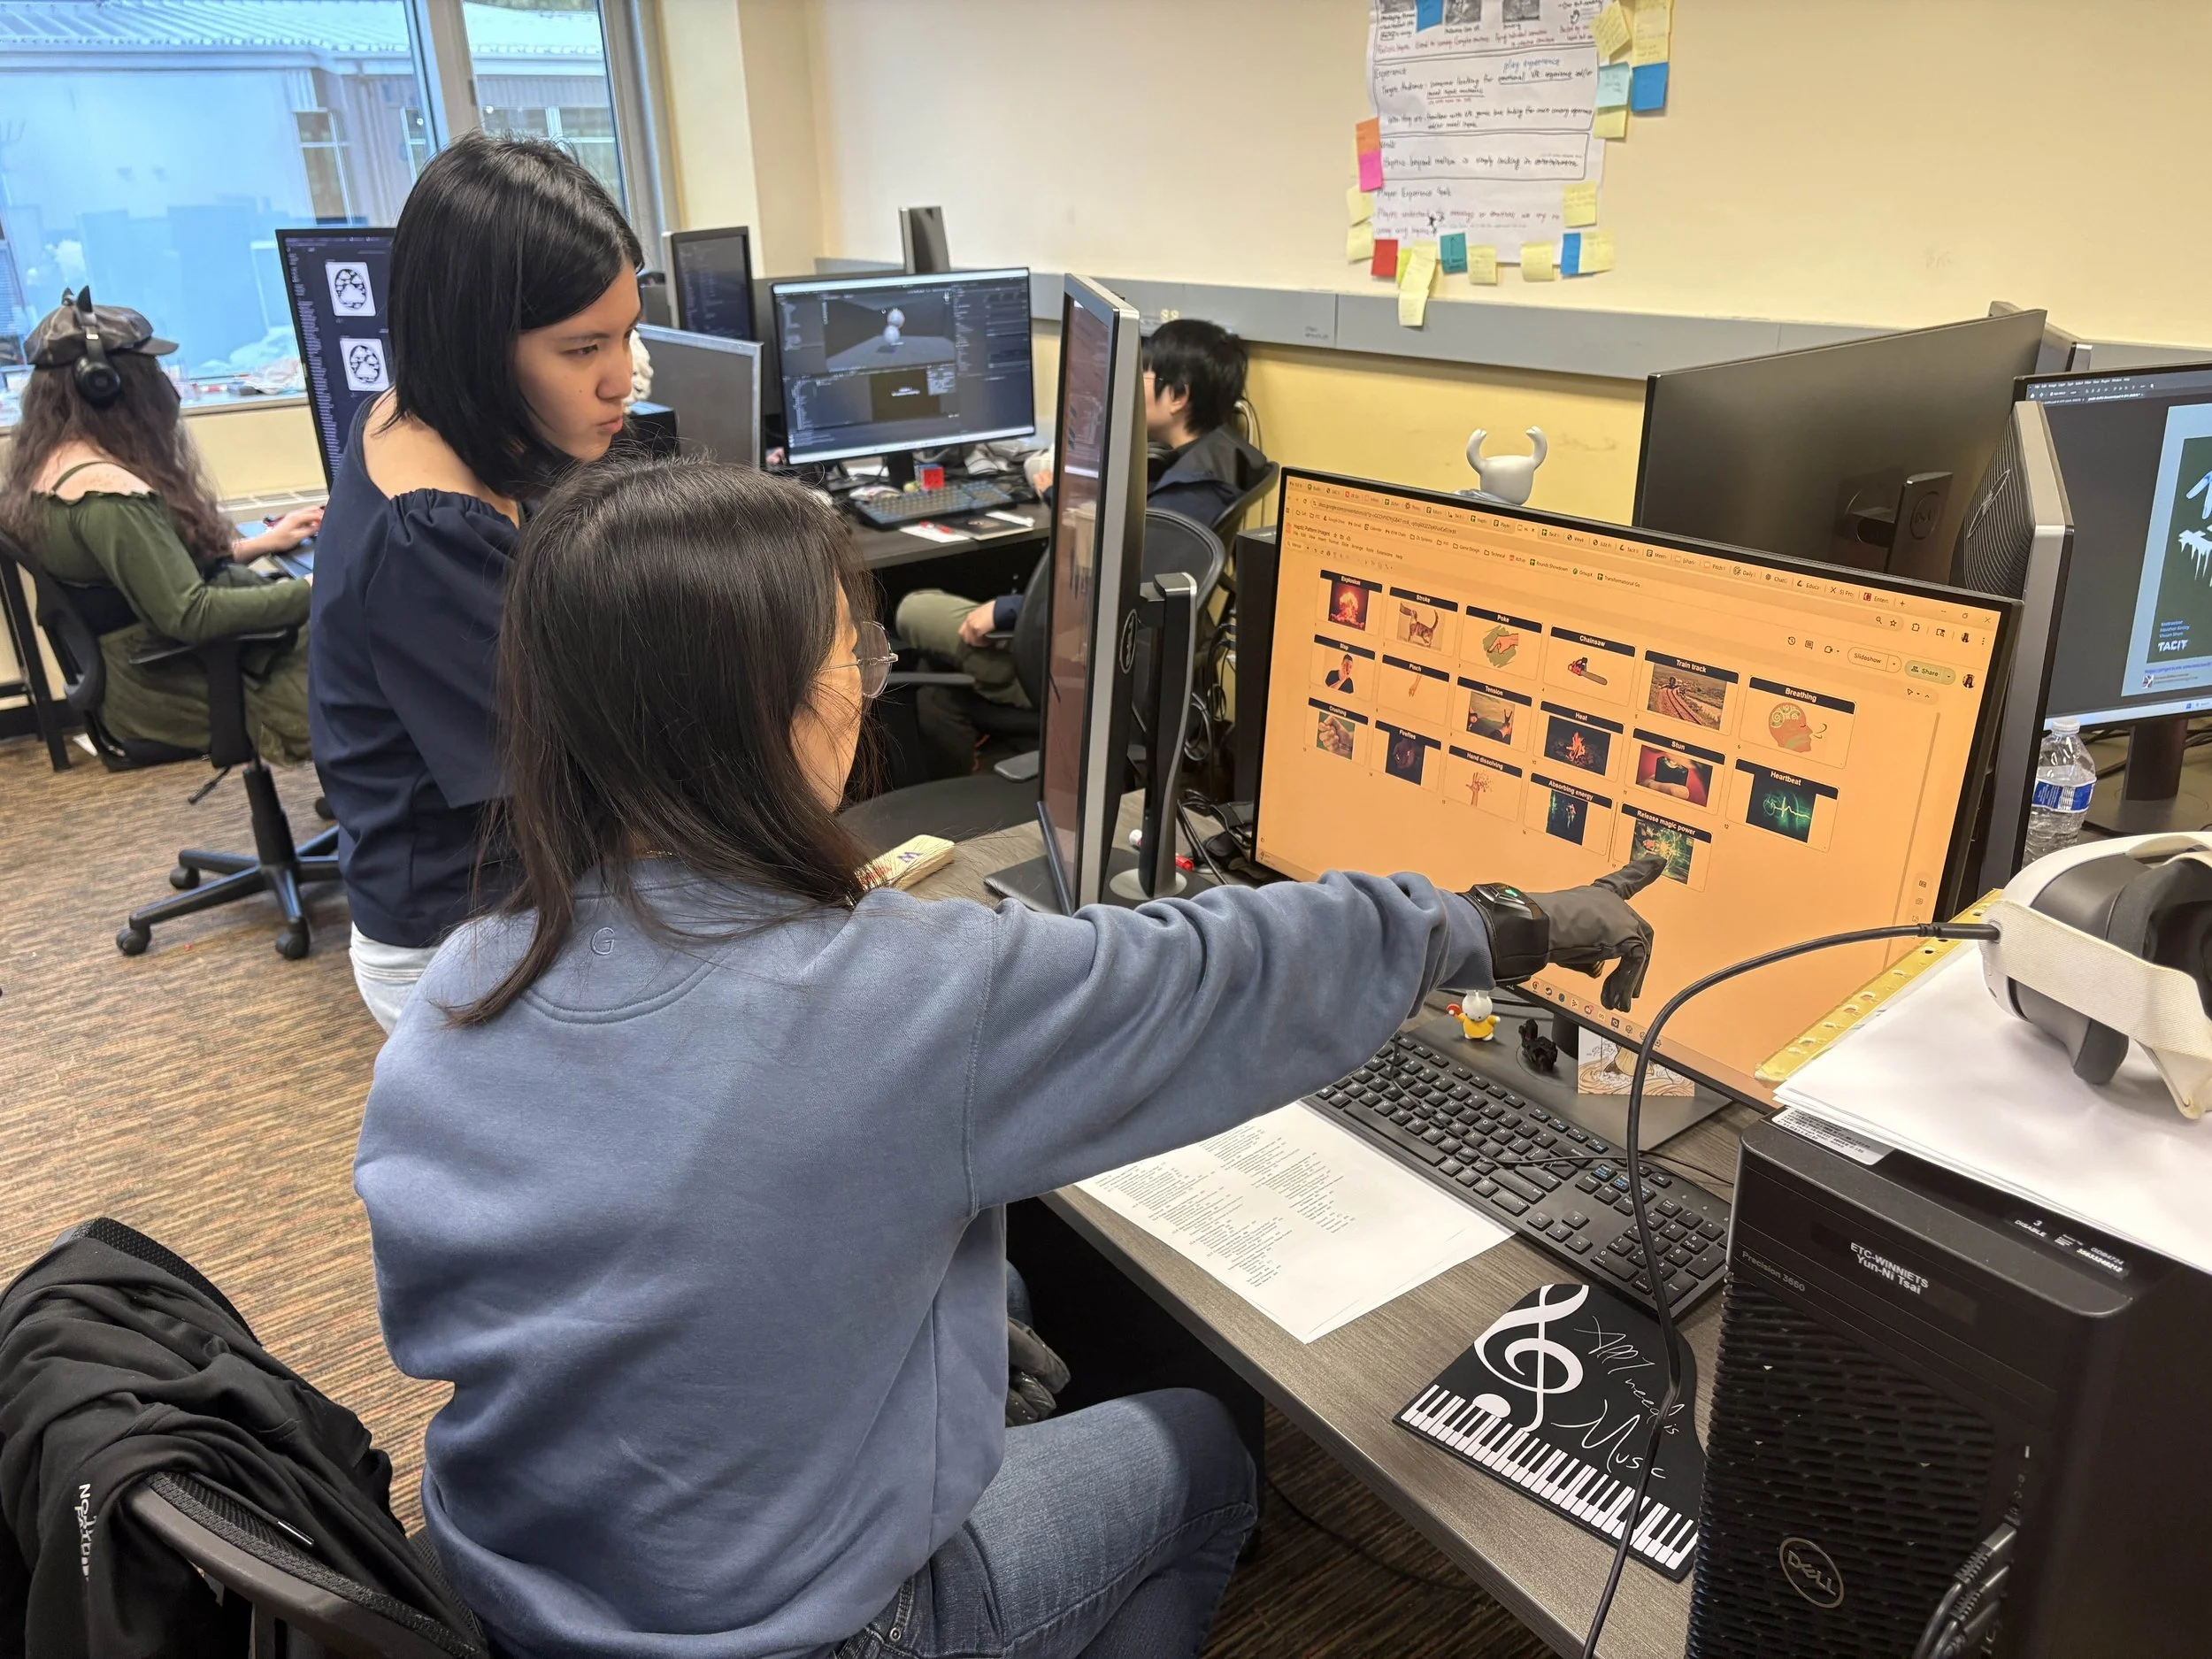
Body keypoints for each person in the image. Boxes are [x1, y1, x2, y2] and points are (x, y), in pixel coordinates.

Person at [354, 457, 1661, 1659]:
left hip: (507, 1591)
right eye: (854, 653)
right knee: (1204, 1449)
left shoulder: (460, 987)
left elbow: (482, 1311)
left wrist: (922, 1344)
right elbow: (1225, 973)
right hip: (796, 1635)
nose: (865, 685)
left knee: (1009, 1288)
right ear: (770, 709)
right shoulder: (903, 994)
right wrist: (1500, 922)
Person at [308, 132, 641, 1033]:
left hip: (509, 895)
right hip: (459, 938)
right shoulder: (430, 535)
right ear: (476, 346)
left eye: (627, 334)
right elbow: (573, 773)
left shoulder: (419, 418)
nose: (621, 379)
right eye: (584, 349)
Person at [895, 318, 1271, 777]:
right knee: (938, 690)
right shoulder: (1217, 466)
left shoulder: (1181, 505)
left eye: (1144, 374)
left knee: (913, 608)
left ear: (1178, 395)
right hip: (1115, 649)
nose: (1133, 387)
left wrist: (1008, 610)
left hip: (1077, 659)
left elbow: (1111, 593)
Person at [0, 291, 321, 761]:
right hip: (180, 683)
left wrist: (261, 544)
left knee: (360, 637)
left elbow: (148, 574)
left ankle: (370, 788)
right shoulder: (107, 497)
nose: (164, 385)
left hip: (157, 666)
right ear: (105, 386)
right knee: (379, 662)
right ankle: (381, 793)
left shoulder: (55, 470)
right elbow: (190, 614)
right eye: (150, 371)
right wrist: (317, 586)